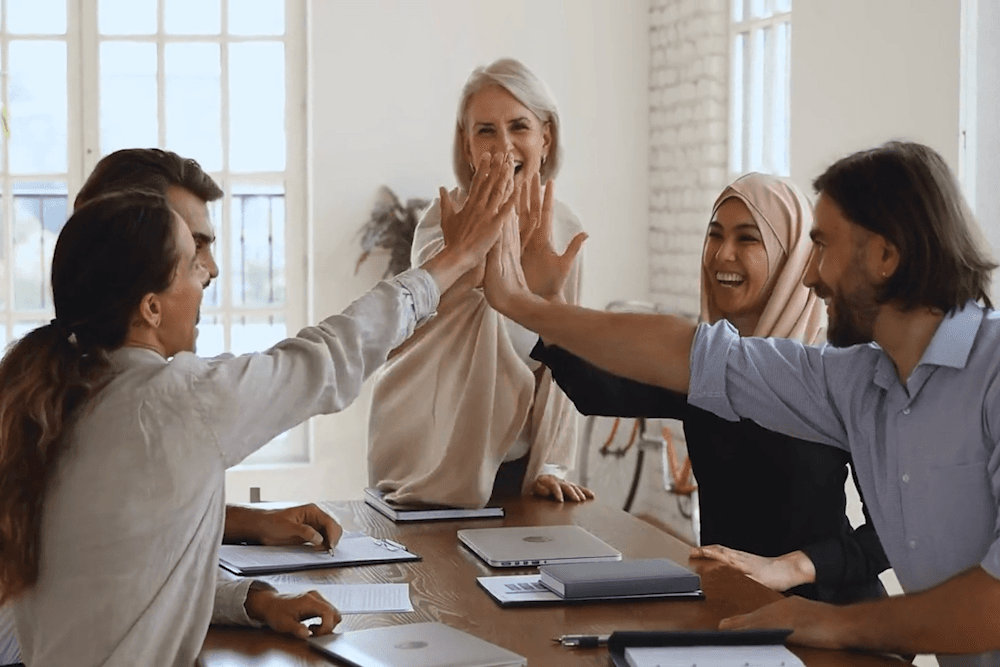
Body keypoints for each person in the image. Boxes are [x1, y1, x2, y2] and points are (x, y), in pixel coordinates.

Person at [483, 140, 1000, 664]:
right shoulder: (855, 381)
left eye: (822, 247)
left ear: (886, 255)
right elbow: (689, 352)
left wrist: (828, 614)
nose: (809, 274)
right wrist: (527, 306)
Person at [0, 150, 516, 666]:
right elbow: (333, 355)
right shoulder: (176, 400)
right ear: (150, 305)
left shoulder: (51, 398)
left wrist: (251, 600)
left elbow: (134, 579)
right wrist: (452, 261)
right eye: (191, 258)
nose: (208, 274)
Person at [532, 172, 889, 604]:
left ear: (789, 257)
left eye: (748, 239)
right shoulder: (708, 365)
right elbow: (597, 391)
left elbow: (890, 534)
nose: (723, 254)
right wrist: (544, 308)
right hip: (733, 605)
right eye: (715, 235)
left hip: (832, 614)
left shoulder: (833, 370)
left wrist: (791, 566)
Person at [75, 148, 344, 555]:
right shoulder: (114, 398)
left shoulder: (72, 371)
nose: (212, 268)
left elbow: (124, 524)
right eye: (191, 245)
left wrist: (251, 527)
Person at [367, 58, 592, 508]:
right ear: (467, 148)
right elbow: (434, 318)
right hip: (431, 458)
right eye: (485, 131)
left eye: (519, 126)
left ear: (545, 138)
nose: (503, 145)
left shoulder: (566, 229)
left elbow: (567, 355)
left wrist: (551, 465)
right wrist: (473, 254)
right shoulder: (442, 222)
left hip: (515, 463)